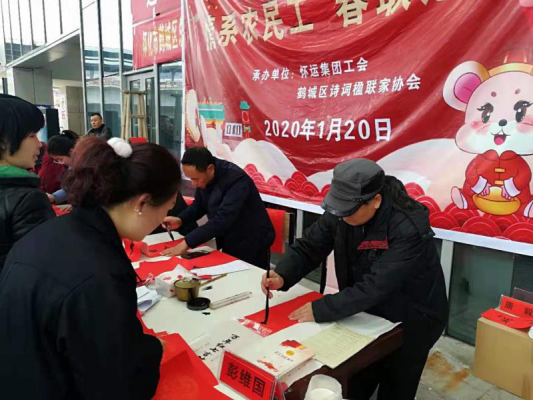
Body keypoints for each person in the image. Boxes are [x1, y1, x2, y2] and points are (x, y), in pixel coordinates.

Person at [0, 137, 182, 399]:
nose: (164, 218)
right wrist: (151, 350)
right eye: (167, 207)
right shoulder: (100, 273)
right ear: (142, 203)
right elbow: (115, 383)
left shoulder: (53, 231)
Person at [261, 159, 449, 400]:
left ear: (376, 201)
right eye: (338, 208)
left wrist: (322, 308)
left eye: (348, 210)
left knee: (397, 383)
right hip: (368, 310)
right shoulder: (343, 210)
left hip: (414, 317)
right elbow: (312, 244)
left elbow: (375, 286)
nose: (342, 215)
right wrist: (282, 274)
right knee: (359, 375)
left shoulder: (407, 227)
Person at [163, 147, 275, 269]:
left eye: (195, 179)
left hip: (252, 240)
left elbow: (223, 219)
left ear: (210, 169)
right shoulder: (205, 178)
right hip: (229, 238)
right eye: (191, 179)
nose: (194, 183)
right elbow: (199, 205)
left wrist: (187, 242)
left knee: (250, 277)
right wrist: (180, 219)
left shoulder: (236, 180)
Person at [0, 94, 55, 272]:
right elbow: (44, 267)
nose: (40, 144)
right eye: (32, 135)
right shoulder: (27, 199)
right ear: (3, 142)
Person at [45, 132, 77, 205]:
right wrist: (53, 197)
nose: (60, 163)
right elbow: (69, 188)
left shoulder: (87, 165)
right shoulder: (72, 166)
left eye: (60, 159)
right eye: (57, 160)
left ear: (71, 152)